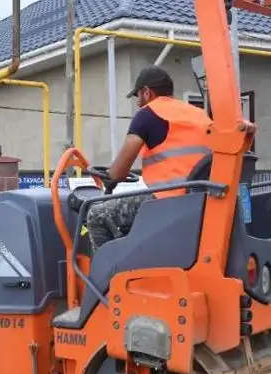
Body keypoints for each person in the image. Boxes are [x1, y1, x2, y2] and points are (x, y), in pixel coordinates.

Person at [85, 65, 257, 251]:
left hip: (167, 201)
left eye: (138, 97)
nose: (138, 103)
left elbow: (118, 173)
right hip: (203, 199)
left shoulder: (147, 114)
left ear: (146, 92)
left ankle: (107, 275)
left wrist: (109, 176)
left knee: (96, 214)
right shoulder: (199, 115)